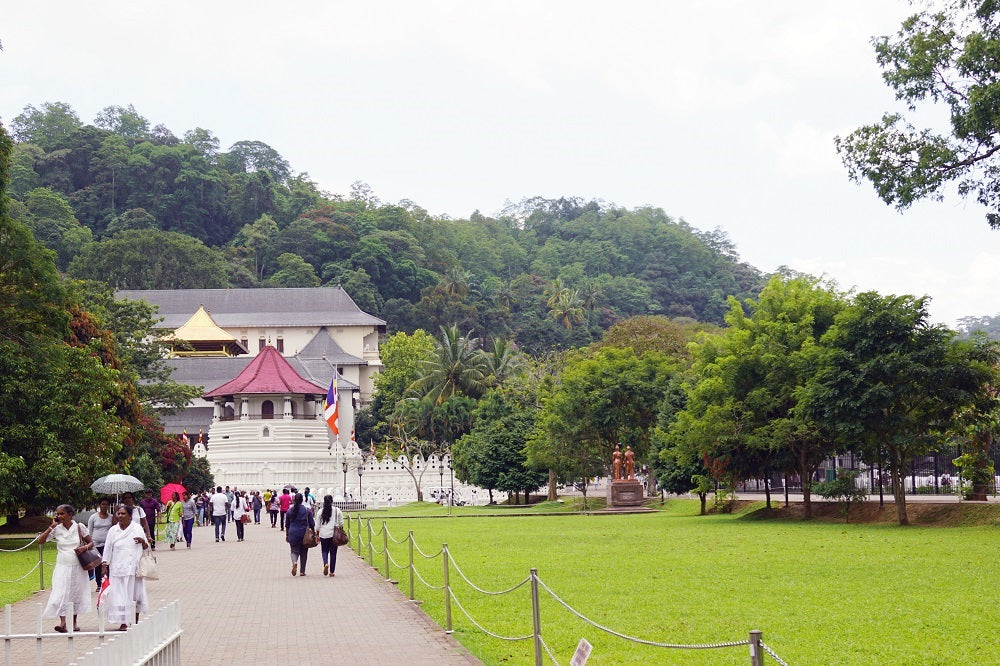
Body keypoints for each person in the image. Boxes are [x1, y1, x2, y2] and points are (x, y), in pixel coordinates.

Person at [41, 504, 93, 633]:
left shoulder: (80, 527)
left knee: (76, 593)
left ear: (70, 514)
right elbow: (40, 541)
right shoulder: (56, 529)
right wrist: (51, 526)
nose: (59, 516)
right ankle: (63, 622)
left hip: (78, 566)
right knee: (60, 593)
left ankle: (74, 622)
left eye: (62, 513)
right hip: (62, 566)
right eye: (58, 514)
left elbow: (91, 542)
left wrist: (84, 547)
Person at [101, 505, 149, 631]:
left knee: (134, 594)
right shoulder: (113, 530)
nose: (120, 516)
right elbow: (107, 548)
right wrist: (104, 564)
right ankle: (123, 621)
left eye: (123, 514)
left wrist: (143, 542)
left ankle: (134, 620)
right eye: (119, 514)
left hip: (133, 567)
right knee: (119, 596)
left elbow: (146, 547)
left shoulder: (137, 528)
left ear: (130, 516)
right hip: (117, 567)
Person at [285, 493, 315, 576]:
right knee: (304, 552)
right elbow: (312, 524)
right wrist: (314, 533)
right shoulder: (307, 510)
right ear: (302, 500)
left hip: (293, 533)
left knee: (294, 551)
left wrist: (287, 535)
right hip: (304, 534)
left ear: (294, 500)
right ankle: (302, 571)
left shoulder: (289, 511)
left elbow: (287, 525)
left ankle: (294, 562)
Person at [87, 498, 114, 592]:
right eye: (103, 504)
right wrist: (90, 544)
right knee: (98, 565)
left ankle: (107, 582)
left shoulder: (111, 517)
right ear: (99, 505)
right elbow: (89, 531)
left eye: (107, 504)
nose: (105, 506)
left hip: (107, 545)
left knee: (106, 564)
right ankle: (99, 584)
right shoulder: (93, 517)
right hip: (96, 545)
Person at [316, 495, 343, 577]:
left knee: (324, 551)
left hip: (324, 534)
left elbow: (317, 526)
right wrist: (340, 530)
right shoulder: (337, 510)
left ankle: (325, 563)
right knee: (333, 553)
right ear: (332, 501)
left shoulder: (320, 511)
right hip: (333, 534)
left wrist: (317, 535)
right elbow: (341, 523)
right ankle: (331, 571)